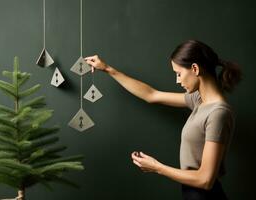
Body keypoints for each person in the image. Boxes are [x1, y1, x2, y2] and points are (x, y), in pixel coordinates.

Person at [85, 40, 241, 200]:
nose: (177, 80)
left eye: (179, 74)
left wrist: (157, 167)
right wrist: (107, 69)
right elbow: (151, 95)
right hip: (191, 194)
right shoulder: (198, 100)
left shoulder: (218, 113)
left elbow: (205, 180)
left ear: (195, 68)